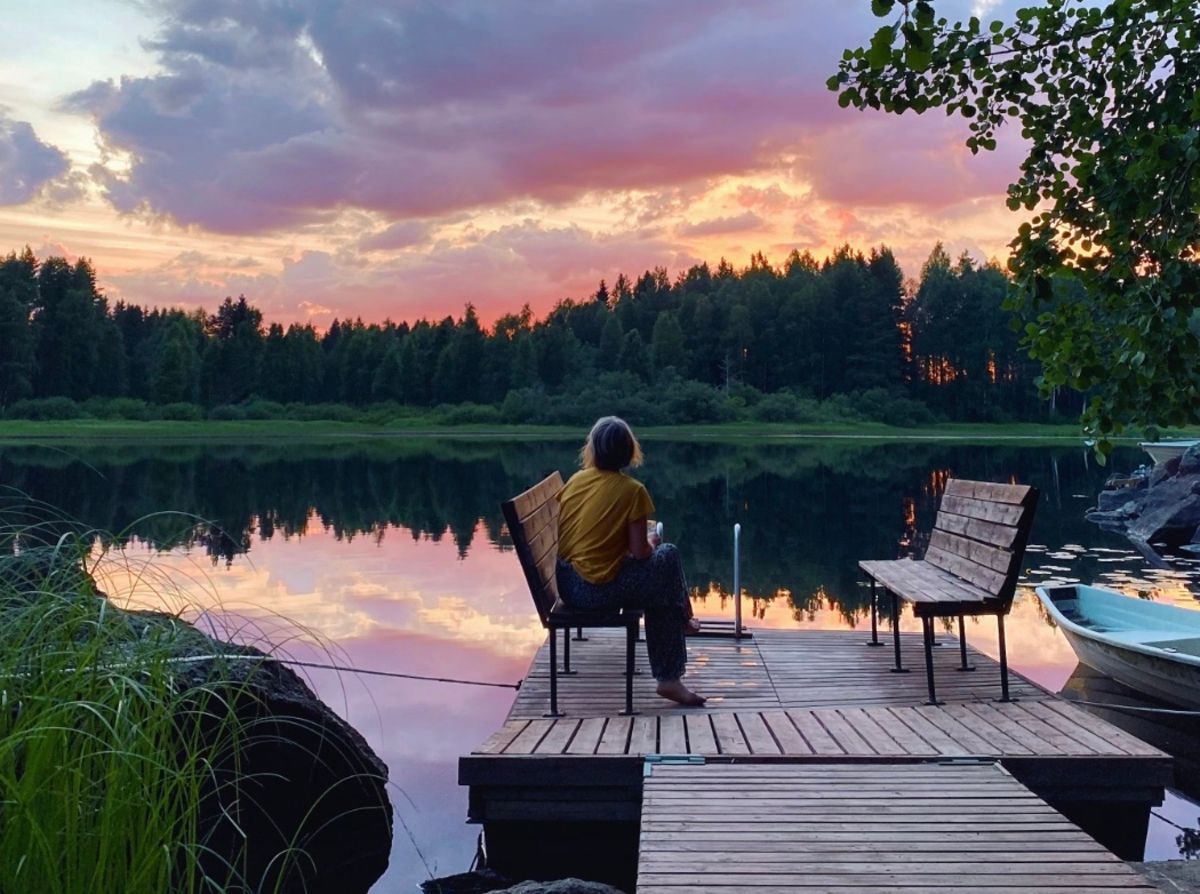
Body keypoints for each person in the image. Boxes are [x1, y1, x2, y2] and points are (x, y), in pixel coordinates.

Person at [555, 416, 705, 707]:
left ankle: (682, 621)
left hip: (568, 583)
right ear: (628, 451)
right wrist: (650, 540)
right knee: (668, 556)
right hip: (594, 591)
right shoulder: (632, 490)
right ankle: (670, 674)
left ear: (594, 449)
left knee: (661, 578)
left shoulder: (576, 480)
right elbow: (641, 554)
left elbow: (591, 532)